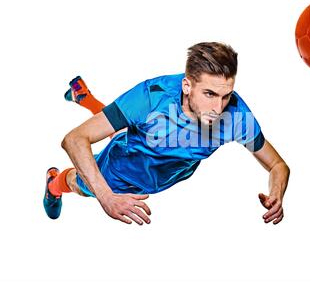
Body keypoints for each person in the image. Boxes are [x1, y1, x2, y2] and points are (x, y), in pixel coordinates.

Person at [43, 42, 290, 226]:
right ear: (187, 86)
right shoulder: (151, 97)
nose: (218, 108)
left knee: (131, 127)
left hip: (163, 168)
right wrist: (106, 197)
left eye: (226, 95)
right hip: (120, 172)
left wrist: (277, 194)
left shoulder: (236, 114)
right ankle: (53, 184)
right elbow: (73, 140)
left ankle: (85, 98)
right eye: (210, 95)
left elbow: (278, 165)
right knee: (82, 184)